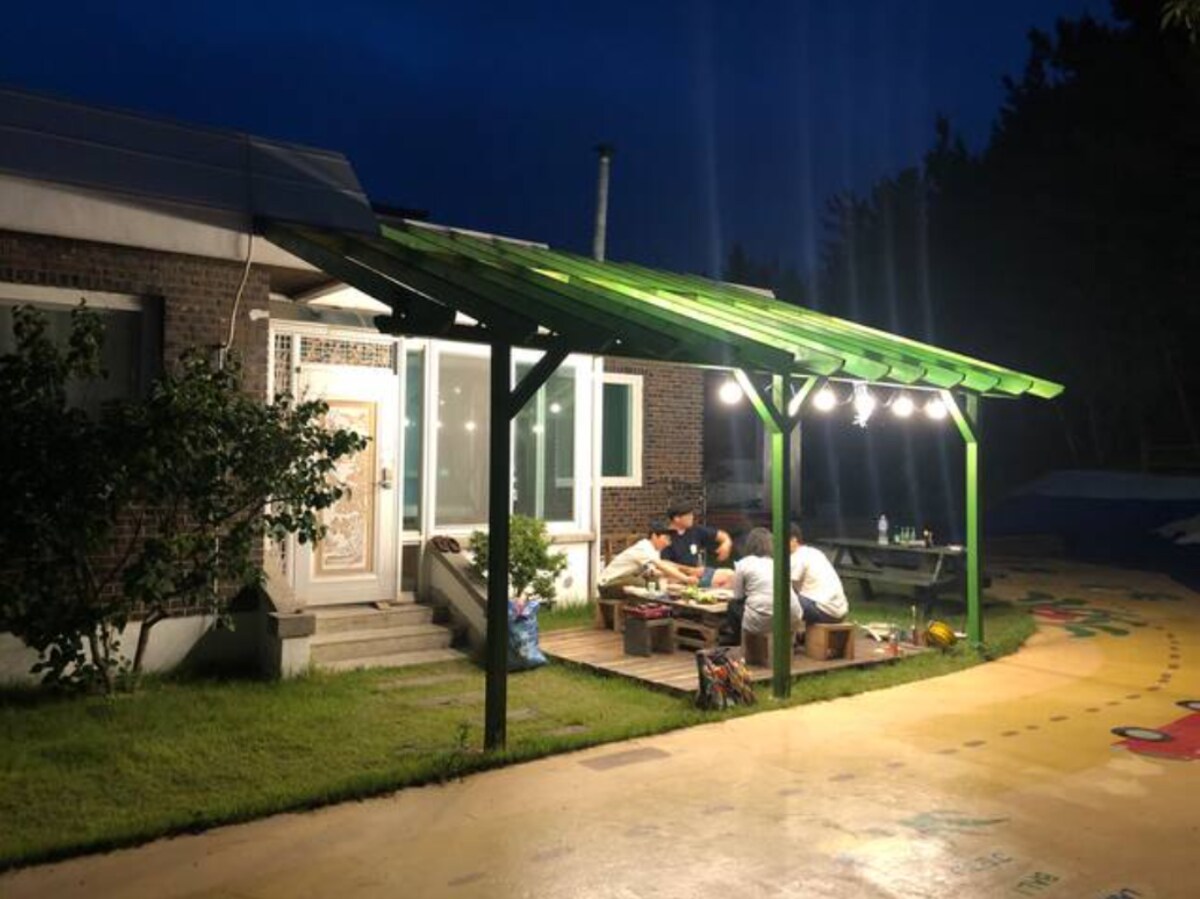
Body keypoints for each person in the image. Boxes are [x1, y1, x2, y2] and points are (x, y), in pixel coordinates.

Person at [598, 519, 698, 598]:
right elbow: (662, 565)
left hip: (625, 580)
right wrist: (685, 578)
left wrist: (680, 577)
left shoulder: (655, 550)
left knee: (653, 583)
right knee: (642, 583)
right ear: (654, 536)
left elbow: (655, 571)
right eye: (666, 539)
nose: (668, 543)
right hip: (608, 584)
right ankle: (635, 593)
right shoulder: (644, 547)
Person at [733, 527, 803, 636]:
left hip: (763, 621)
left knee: (733, 607)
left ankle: (740, 641)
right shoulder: (779, 563)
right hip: (793, 617)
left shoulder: (743, 563)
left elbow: (738, 596)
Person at [660, 499, 734, 589]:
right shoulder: (665, 537)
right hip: (678, 577)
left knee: (731, 576)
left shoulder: (696, 530)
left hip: (700, 573)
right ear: (677, 518)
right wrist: (690, 570)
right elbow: (664, 563)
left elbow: (723, 536)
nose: (692, 517)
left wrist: (726, 544)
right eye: (688, 515)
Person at [789, 523, 849, 624]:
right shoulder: (814, 552)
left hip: (823, 611)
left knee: (782, 598)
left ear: (794, 540)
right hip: (840, 612)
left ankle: (783, 632)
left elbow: (786, 588)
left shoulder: (797, 556)